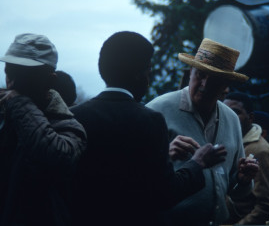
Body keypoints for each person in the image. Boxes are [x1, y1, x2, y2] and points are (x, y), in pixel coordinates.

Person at [70, 31, 227, 226]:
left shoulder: (75, 116)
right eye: (149, 70)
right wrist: (197, 163)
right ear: (140, 75)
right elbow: (163, 194)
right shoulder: (150, 120)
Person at [146, 38, 259, 226]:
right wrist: (166, 155)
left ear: (226, 86)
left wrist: (243, 180)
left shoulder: (231, 119)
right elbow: (135, 177)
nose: (205, 84)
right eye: (200, 75)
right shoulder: (157, 110)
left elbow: (235, 189)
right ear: (190, 72)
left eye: (214, 80)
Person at [0, 33, 87, 226]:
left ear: (50, 80)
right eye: (9, 72)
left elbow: (57, 157)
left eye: (23, 76)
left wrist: (20, 104)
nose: (12, 83)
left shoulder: (68, 126)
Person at [224, 92, 269, 225]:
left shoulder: (261, 152)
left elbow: (267, 206)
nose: (229, 117)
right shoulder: (227, 143)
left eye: (236, 112)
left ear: (250, 118)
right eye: (225, 112)